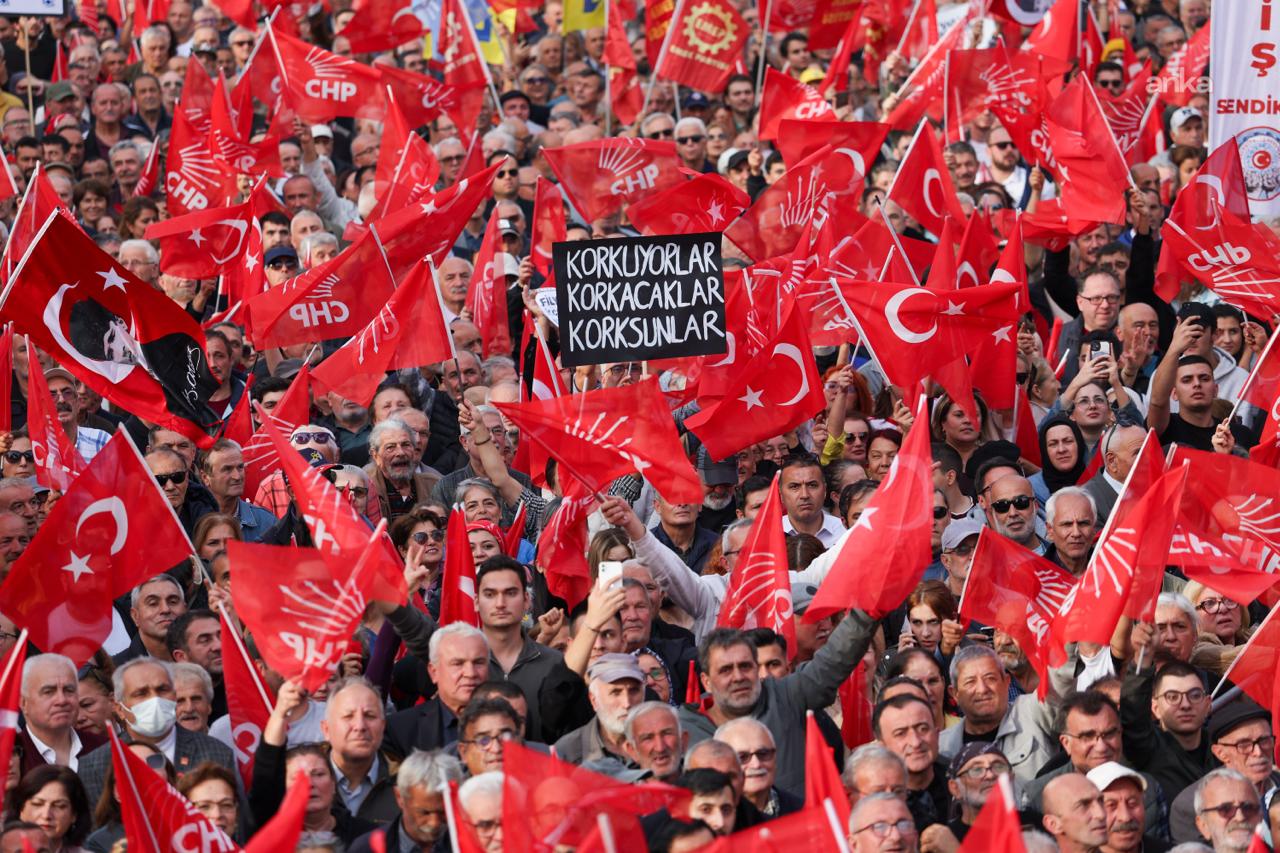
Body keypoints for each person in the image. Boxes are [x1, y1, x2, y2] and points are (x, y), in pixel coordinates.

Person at [348, 750, 462, 852]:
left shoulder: (472, 845)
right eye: (424, 812)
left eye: (444, 812)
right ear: (400, 797)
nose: (434, 822)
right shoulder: (367, 849)